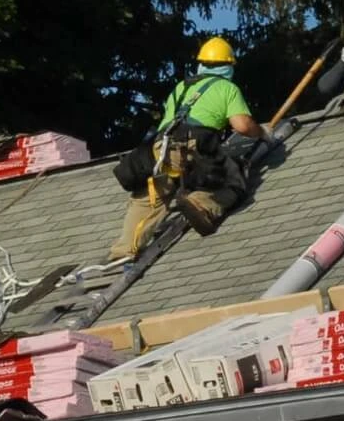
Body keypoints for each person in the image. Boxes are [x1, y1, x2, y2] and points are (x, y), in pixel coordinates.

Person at [110, 36, 273, 262]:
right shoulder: (227, 88)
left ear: (201, 63)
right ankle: (200, 204)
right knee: (233, 180)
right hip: (193, 147)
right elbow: (242, 126)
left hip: (161, 148)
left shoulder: (181, 87)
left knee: (150, 197)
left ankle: (123, 252)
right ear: (228, 66)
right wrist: (263, 133)